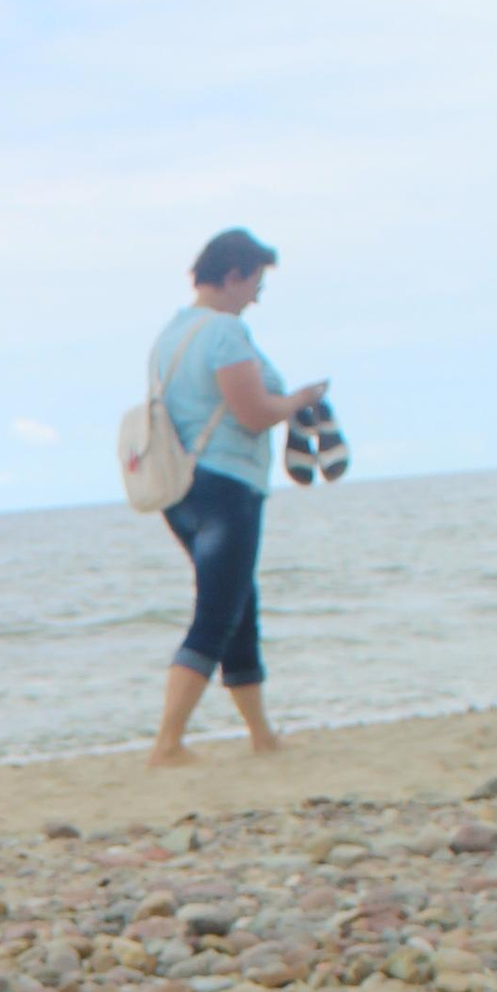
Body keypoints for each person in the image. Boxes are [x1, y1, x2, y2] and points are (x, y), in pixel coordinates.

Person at [146, 232, 329, 768]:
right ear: (233, 274)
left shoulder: (170, 335)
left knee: (237, 607)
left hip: (181, 490)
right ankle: (168, 743)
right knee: (217, 612)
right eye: (255, 283)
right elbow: (251, 413)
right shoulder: (226, 332)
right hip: (226, 487)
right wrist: (297, 401)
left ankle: (261, 735)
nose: (255, 296)